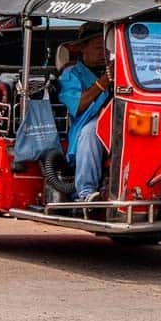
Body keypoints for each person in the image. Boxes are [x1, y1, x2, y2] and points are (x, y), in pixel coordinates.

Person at [58, 22, 111, 202]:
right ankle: (86, 193)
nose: (103, 54)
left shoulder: (121, 69)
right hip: (87, 125)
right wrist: (103, 83)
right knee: (92, 131)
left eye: (106, 49)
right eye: (98, 48)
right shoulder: (71, 74)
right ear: (82, 48)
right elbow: (77, 105)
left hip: (120, 120)